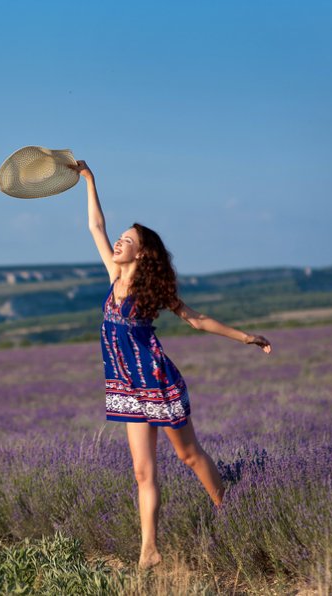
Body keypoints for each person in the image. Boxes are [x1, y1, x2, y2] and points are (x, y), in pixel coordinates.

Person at [70, 159, 272, 570]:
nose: (119, 243)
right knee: (143, 474)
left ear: (143, 253)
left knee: (189, 456)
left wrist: (246, 337)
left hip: (157, 381)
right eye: (121, 239)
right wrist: (89, 181)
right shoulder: (113, 276)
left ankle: (227, 511)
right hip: (126, 388)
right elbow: (95, 226)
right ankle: (149, 552)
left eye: (127, 240)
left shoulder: (153, 291)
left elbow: (198, 320)